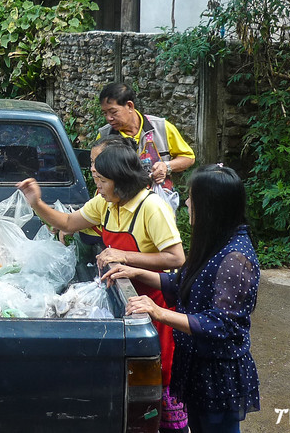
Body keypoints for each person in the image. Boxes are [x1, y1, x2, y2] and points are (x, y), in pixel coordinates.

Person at [17, 143, 187, 432]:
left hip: (155, 306)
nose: (98, 187)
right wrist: (37, 203)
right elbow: (68, 222)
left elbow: (176, 257)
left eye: (102, 181)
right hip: (125, 301)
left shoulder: (151, 207)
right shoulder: (105, 204)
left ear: (121, 180)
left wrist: (125, 256)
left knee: (159, 384)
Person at [103, 164, 260, 432]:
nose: (186, 203)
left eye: (191, 198)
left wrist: (158, 311)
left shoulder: (236, 258)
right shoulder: (214, 241)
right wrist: (135, 271)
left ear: (209, 206)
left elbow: (221, 324)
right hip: (196, 367)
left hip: (217, 375)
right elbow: (179, 283)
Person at [97, 82, 195, 189]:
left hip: (157, 197)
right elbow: (95, 169)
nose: (109, 118)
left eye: (113, 112)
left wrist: (166, 166)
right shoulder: (104, 136)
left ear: (130, 106)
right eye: (105, 113)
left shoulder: (161, 128)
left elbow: (188, 158)